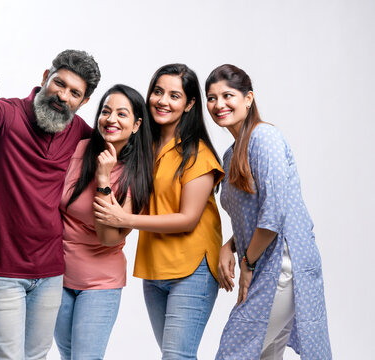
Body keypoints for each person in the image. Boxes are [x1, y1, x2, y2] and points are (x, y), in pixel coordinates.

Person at [0, 50, 101, 360]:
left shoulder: (78, 130)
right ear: (45, 78)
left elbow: (119, 149)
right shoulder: (7, 114)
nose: (63, 96)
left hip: (51, 274)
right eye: (59, 83)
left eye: (74, 93)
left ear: (83, 102)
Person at [94, 64, 224, 359]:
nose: (163, 101)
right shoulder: (144, 148)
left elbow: (188, 219)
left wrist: (124, 219)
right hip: (155, 268)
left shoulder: (197, 153)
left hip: (193, 268)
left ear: (190, 104)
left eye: (174, 95)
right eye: (157, 91)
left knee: (176, 357)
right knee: (172, 355)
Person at [205, 64, 331, 359]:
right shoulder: (231, 154)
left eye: (228, 95)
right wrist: (231, 244)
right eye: (212, 98)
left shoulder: (265, 139)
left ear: (248, 98)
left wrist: (247, 261)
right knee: (265, 355)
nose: (219, 104)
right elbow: (252, 214)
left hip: (282, 266)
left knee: (235, 352)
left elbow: (273, 214)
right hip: (264, 264)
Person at [54, 84, 153, 360]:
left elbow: (109, 237)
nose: (111, 119)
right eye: (106, 111)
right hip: (57, 276)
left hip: (100, 282)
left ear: (136, 125)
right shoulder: (80, 148)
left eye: (122, 114)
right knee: (68, 355)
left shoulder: (138, 174)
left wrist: (103, 179)